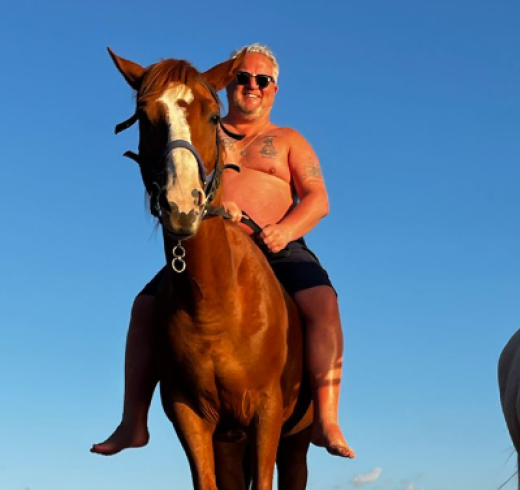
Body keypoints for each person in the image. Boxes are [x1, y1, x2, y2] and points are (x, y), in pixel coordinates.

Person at [92, 43, 355, 459]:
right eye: (243, 78)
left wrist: (284, 231)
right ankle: (133, 422)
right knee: (144, 308)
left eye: (262, 80)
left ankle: (325, 419)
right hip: (213, 247)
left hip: (276, 244)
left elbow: (317, 199)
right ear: (227, 84)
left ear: (274, 89)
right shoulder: (204, 124)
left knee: (323, 304)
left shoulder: (288, 140)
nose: (251, 85)